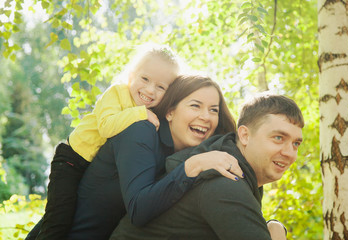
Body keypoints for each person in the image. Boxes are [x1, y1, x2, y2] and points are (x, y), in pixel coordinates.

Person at [26, 43, 182, 240]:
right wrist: (140, 113)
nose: (150, 90)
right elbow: (107, 127)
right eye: (145, 79)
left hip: (91, 167)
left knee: (68, 213)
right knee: (58, 219)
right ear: (132, 74)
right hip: (71, 161)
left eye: (161, 87)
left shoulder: (149, 112)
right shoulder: (117, 93)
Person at [67, 75, 244, 240]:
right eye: (195, 106)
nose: (206, 117)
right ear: (170, 112)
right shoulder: (141, 131)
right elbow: (138, 211)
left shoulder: (189, 156)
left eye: (214, 110)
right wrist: (193, 166)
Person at [110, 93, 304, 240]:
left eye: (296, 143)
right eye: (278, 138)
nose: (289, 152)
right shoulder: (225, 183)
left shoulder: (231, 165)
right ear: (244, 135)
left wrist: (274, 225)